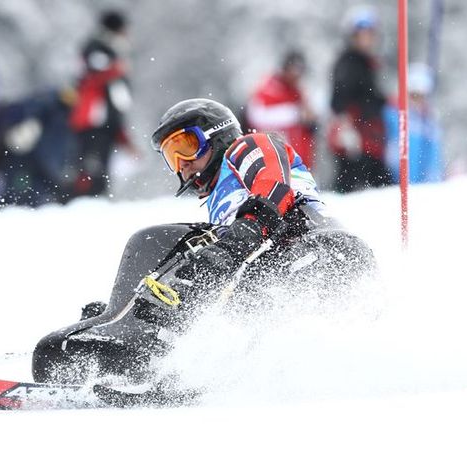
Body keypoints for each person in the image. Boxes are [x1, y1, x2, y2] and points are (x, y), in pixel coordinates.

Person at [31, 98, 375, 389]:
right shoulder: (221, 210)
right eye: (171, 157)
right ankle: (137, 331)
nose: (182, 165)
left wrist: (242, 234)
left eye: (186, 147)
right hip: (284, 277)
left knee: (156, 241)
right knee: (199, 264)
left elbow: (274, 186)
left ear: (216, 136)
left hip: (320, 253)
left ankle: (129, 333)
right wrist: (130, 303)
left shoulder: (248, 148)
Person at [67, 9, 137, 199]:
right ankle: (84, 199)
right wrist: (117, 69)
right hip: (93, 118)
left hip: (103, 119)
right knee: (91, 164)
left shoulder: (107, 48)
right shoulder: (97, 47)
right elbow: (96, 74)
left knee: (99, 164)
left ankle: (93, 197)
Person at [328, 6, 392, 192]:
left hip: (371, 139)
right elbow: (340, 98)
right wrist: (345, 124)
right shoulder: (349, 62)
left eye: (369, 35)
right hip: (356, 138)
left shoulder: (368, 63)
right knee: (353, 187)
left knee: (377, 185)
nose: (366, 40)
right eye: (360, 35)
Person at [246, 50, 318, 169]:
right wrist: (296, 114)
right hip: (273, 160)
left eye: (300, 72)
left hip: (298, 162)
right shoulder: (269, 86)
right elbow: (258, 116)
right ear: (285, 68)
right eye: (293, 71)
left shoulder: (298, 91)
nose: (296, 76)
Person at [383, 63, 444, 183]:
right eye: (414, 95)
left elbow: (434, 158)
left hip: (423, 185)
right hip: (395, 182)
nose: (418, 100)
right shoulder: (393, 114)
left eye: (422, 96)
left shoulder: (430, 123)